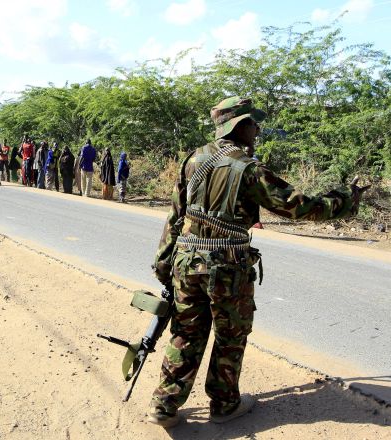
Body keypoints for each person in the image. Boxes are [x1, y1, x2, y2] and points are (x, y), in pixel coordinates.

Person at [148, 96, 369, 428]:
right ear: (240, 125)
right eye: (254, 123)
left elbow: (175, 215)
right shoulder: (248, 169)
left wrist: (163, 261)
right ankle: (224, 404)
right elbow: (299, 207)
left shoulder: (193, 159)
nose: (258, 129)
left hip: (185, 261)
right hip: (226, 266)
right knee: (230, 333)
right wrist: (345, 199)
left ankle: (163, 406)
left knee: (186, 331)